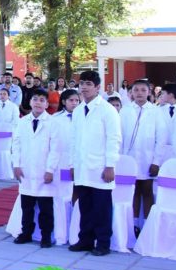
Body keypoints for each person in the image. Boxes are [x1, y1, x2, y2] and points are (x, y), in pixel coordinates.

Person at [69, 71, 122, 256]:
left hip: (100, 167)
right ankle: (86, 240)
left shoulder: (107, 110)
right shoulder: (78, 110)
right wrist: (72, 164)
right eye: (82, 83)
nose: (84, 87)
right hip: (82, 166)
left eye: (89, 84)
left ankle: (103, 243)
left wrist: (110, 165)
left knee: (101, 208)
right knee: (85, 206)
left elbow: (114, 139)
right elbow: (74, 140)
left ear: (98, 87)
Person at [11, 89, 60, 248]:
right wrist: (16, 165)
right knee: (26, 206)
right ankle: (26, 233)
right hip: (26, 169)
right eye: (35, 99)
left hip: (44, 170)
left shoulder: (52, 123)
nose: (38, 103)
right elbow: (16, 145)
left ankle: (46, 236)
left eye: (42, 100)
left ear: (47, 104)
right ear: (30, 102)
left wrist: (50, 169)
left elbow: (55, 149)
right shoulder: (22, 121)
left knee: (45, 208)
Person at [118, 79, 170, 226]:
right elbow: (119, 136)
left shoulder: (156, 111)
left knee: (147, 191)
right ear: (131, 93)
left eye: (143, 90)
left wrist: (156, 161)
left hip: (148, 159)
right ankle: (133, 225)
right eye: (136, 90)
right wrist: (120, 159)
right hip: (129, 158)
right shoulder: (125, 111)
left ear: (149, 92)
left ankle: (147, 225)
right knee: (132, 191)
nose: (139, 93)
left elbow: (161, 139)